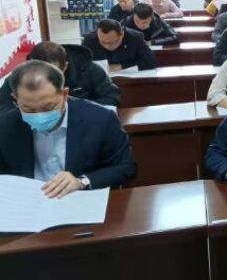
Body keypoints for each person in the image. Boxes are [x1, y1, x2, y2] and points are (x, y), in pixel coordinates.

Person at [0, 61, 136, 196]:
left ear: (64, 94)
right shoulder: (5, 126)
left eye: (47, 107)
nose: (39, 115)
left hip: (79, 198)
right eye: (29, 109)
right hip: (27, 200)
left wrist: (81, 182)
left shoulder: (100, 119)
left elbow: (126, 167)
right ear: (15, 99)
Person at [0, 42, 120, 113]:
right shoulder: (18, 77)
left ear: (65, 66)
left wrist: (79, 113)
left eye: (53, 72)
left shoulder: (89, 69)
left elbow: (110, 97)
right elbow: (3, 107)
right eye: (40, 72)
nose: (46, 79)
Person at [82, 19, 157, 71]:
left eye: (111, 43)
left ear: (122, 34)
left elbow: (150, 62)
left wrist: (121, 66)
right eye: (103, 42)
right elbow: (81, 65)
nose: (107, 46)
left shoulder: (135, 37)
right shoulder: (90, 40)